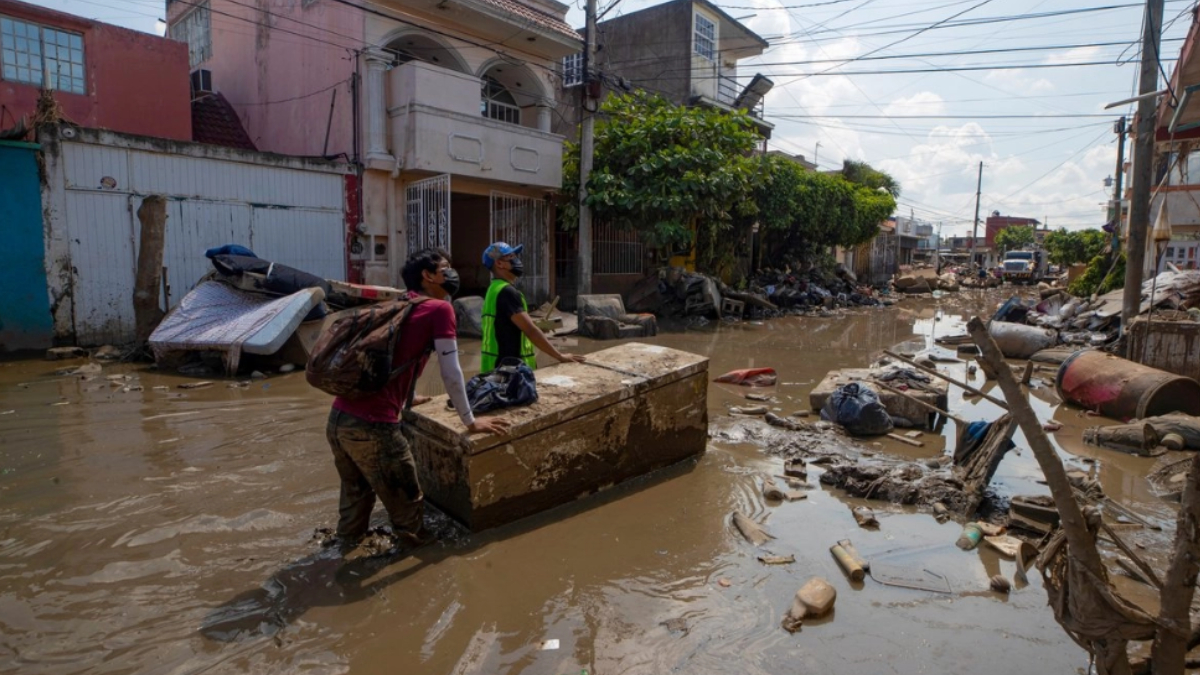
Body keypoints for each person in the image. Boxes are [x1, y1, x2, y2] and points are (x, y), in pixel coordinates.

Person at [325, 248, 510, 551]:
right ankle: (419, 577)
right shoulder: (439, 309)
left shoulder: (400, 304)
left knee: (356, 502)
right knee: (410, 512)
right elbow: (451, 371)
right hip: (375, 428)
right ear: (428, 276)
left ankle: (337, 563)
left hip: (339, 420)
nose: (452, 274)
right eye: (445, 268)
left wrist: (406, 399)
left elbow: (391, 359)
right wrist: (470, 421)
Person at [479, 241, 586, 373]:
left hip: (493, 368)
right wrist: (560, 356)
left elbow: (503, 325)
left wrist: (540, 325)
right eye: (511, 257)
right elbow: (531, 331)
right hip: (510, 371)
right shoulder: (508, 292)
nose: (517, 261)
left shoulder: (493, 289)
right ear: (499, 263)